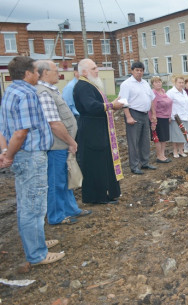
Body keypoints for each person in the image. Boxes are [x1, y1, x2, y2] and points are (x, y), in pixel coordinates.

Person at [0, 56, 64, 265]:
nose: (39, 75)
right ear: (27, 73)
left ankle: (36, 241)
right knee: (34, 206)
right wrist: (8, 156)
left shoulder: (10, 91)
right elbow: (20, 133)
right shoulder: (28, 94)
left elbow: (3, 128)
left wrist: (4, 151)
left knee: (27, 202)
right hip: (31, 156)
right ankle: (37, 253)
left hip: (21, 155)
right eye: (36, 71)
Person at [35, 60, 92, 225]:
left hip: (63, 143)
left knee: (66, 178)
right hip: (56, 145)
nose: (58, 73)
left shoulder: (51, 90)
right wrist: (70, 141)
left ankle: (70, 208)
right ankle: (56, 216)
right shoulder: (43, 93)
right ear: (45, 73)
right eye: (55, 70)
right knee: (56, 181)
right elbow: (54, 123)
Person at [73, 59, 124, 204]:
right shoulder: (83, 86)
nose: (97, 71)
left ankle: (108, 192)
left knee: (104, 161)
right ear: (84, 72)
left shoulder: (90, 84)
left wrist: (110, 107)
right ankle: (98, 197)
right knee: (95, 163)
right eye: (94, 68)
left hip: (99, 127)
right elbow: (91, 106)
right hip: (91, 130)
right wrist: (110, 105)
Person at [119, 61, 156, 175]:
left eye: (141, 70)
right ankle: (134, 166)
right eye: (137, 70)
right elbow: (123, 102)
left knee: (145, 140)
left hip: (145, 114)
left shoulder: (145, 83)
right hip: (133, 114)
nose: (139, 73)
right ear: (132, 71)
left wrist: (153, 114)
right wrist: (128, 117)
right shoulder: (126, 84)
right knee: (134, 141)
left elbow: (151, 99)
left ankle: (144, 162)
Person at [149, 76, 173, 163]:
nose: (158, 83)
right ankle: (159, 156)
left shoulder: (163, 91)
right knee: (158, 138)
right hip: (158, 118)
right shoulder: (153, 94)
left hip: (165, 118)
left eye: (159, 82)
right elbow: (152, 108)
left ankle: (163, 154)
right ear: (152, 84)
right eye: (156, 82)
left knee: (164, 138)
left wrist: (169, 116)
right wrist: (153, 122)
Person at [167, 75, 188, 158]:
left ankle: (181, 150)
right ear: (175, 83)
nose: (181, 84)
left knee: (183, 135)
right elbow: (167, 105)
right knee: (176, 135)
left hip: (185, 116)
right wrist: (169, 115)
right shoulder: (170, 92)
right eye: (179, 82)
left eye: (182, 82)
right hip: (176, 117)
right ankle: (175, 151)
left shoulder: (184, 92)